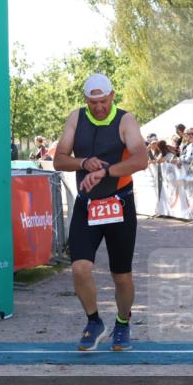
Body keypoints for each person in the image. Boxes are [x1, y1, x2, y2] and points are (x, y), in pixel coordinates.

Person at [53, 73, 149, 352]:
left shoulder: (125, 120)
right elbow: (59, 159)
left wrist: (106, 171)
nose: (98, 108)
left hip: (119, 203)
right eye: (93, 102)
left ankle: (122, 322)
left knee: (121, 275)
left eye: (103, 101)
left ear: (112, 96)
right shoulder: (76, 118)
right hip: (87, 205)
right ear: (85, 100)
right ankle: (94, 322)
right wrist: (82, 162)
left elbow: (141, 159)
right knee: (80, 268)